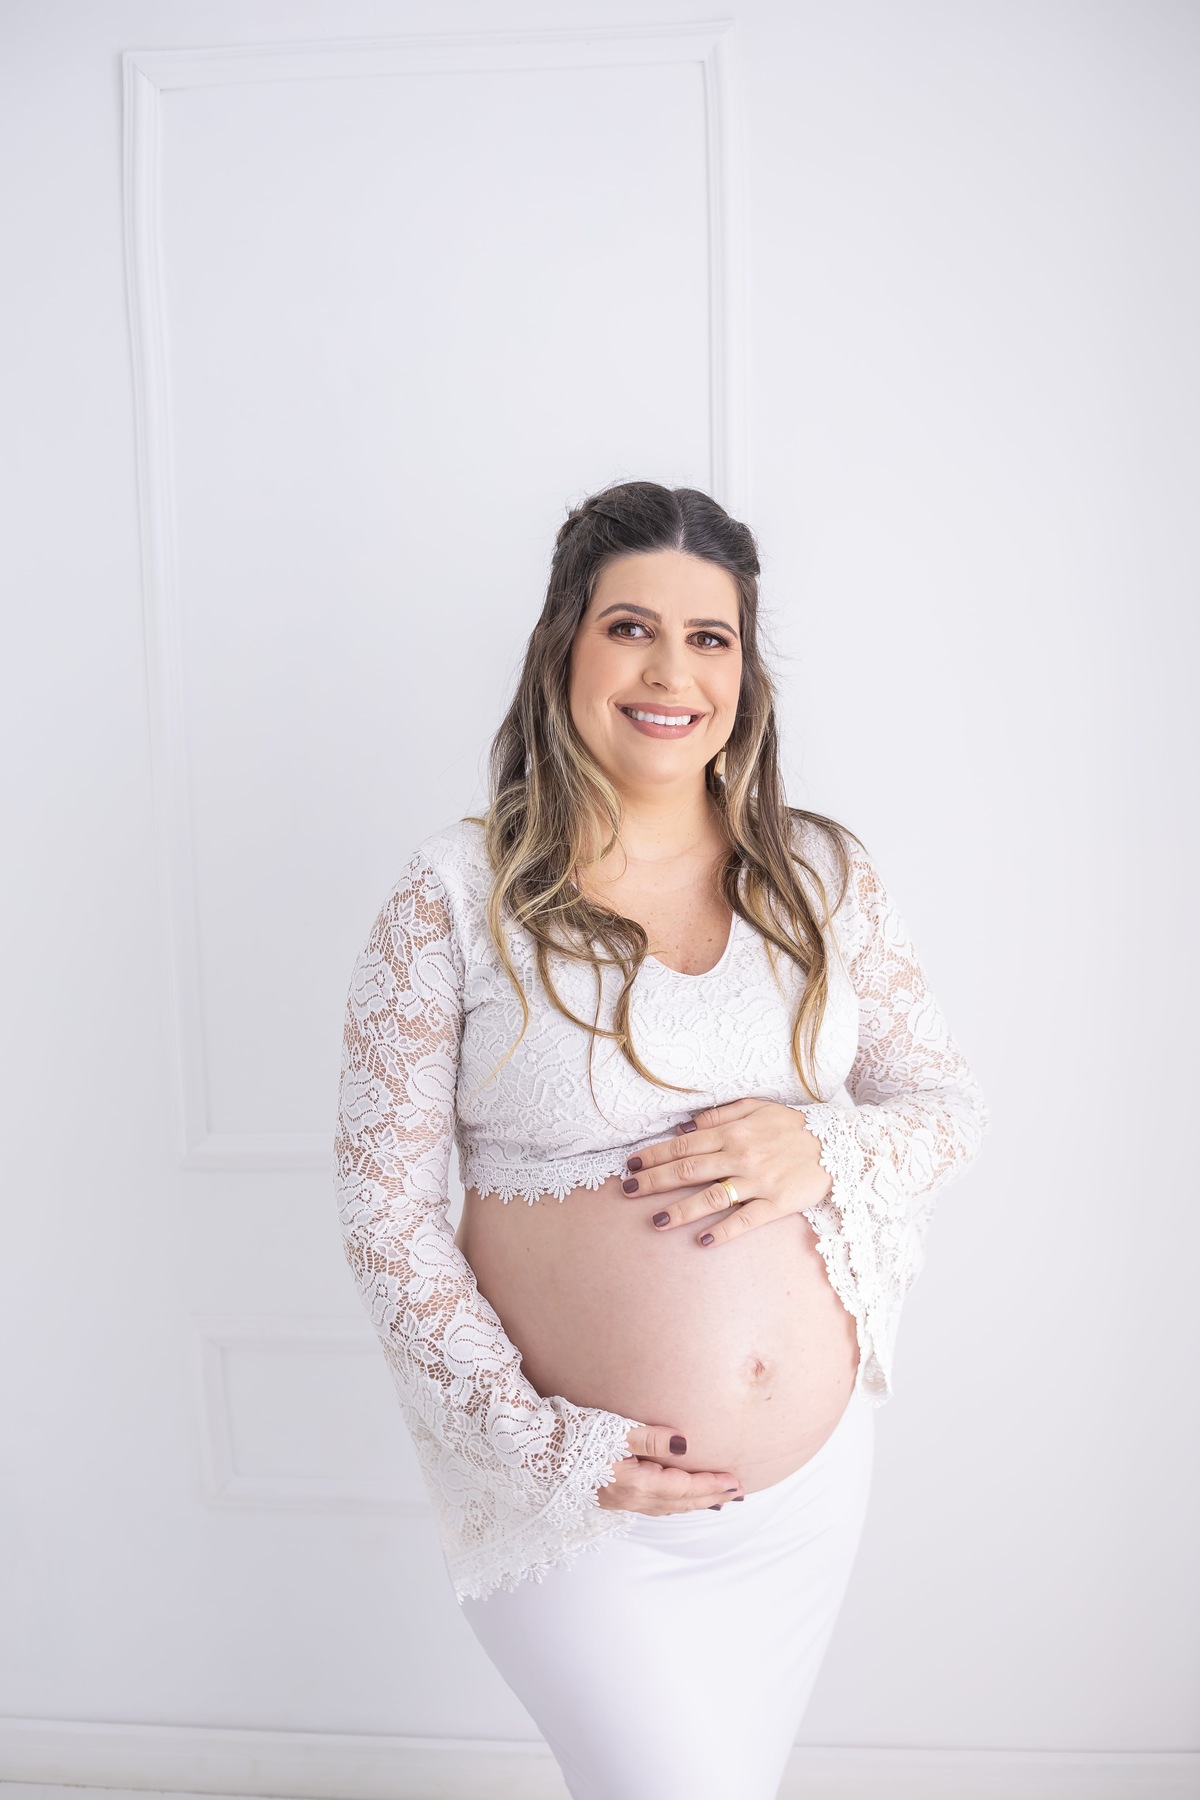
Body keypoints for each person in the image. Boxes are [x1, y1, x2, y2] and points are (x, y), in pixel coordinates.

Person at [333, 480, 989, 1800]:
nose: (670, 670)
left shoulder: (822, 875)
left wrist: (826, 1149)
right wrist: (543, 1446)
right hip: (587, 1505)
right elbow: (382, 1210)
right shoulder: (456, 892)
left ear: (745, 673)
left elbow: (949, 1108)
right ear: (565, 644)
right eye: (631, 627)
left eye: (712, 638)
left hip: (804, 1503)